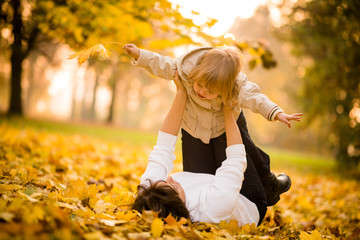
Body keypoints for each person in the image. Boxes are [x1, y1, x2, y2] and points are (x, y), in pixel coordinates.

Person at [124, 44, 302, 206]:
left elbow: (255, 98)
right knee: (197, 172)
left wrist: (277, 113)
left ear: (225, 88)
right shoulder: (186, 71)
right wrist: (140, 55)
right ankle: (192, 206)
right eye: (200, 85)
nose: (201, 91)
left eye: (210, 91)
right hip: (193, 128)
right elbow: (162, 64)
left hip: (224, 127)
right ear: (197, 73)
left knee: (244, 152)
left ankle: (269, 183)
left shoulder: (236, 87)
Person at [133, 72, 265, 226]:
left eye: (162, 182)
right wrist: (228, 108)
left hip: (207, 183)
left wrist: (181, 92)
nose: (169, 178)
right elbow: (235, 159)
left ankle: (265, 171)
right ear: (181, 206)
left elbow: (164, 146)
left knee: (195, 125)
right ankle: (267, 181)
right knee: (221, 130)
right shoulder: (212, 208)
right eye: (172, 186)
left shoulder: (150, 196)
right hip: (246, 197)